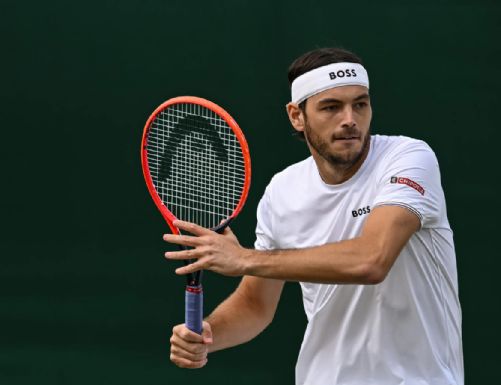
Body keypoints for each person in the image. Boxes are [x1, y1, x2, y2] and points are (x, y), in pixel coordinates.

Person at [163, 47, 464, 385]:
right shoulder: (283, 190)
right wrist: (208, 335)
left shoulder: (409, 159)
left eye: (360, 104)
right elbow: (255, 305)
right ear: (297, 116)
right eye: (331, 107)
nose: (349, 118)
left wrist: (245, 258)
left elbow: (372, 260)